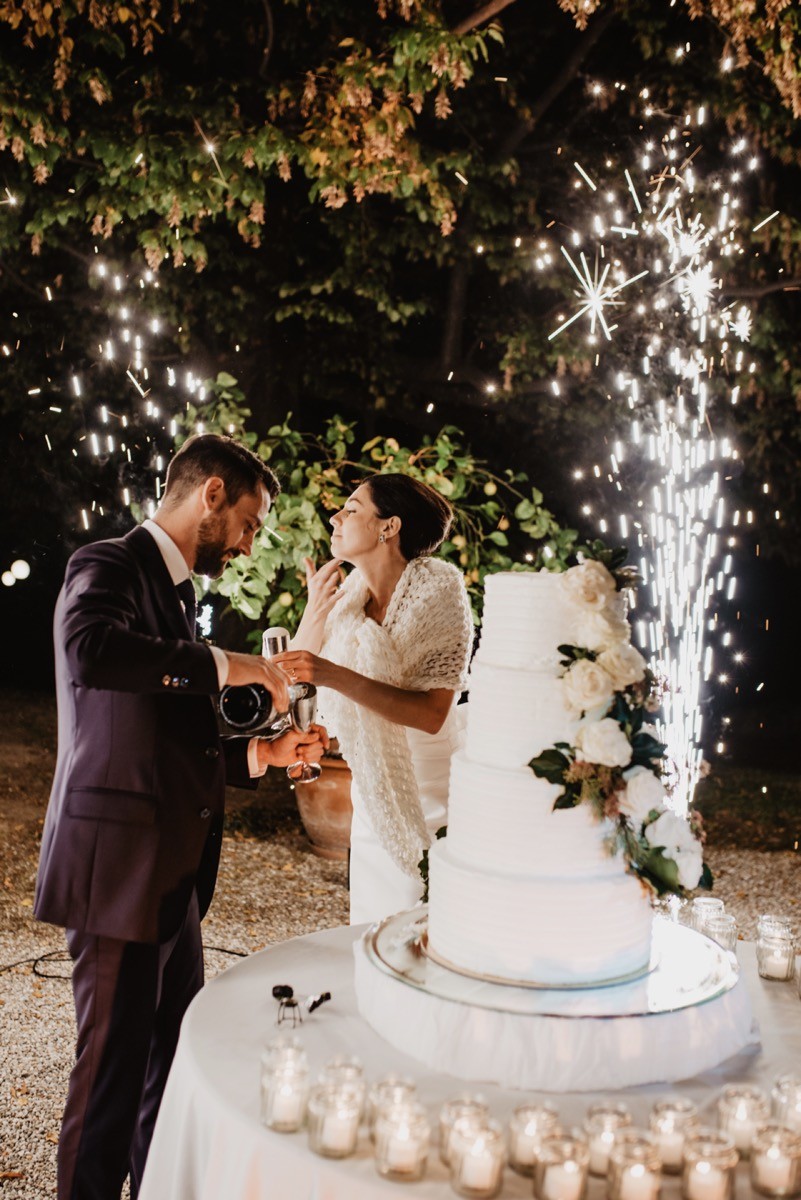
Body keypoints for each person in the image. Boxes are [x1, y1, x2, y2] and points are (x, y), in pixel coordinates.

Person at [34, 433, 328, 1200]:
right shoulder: (106, 564)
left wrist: (261, 754)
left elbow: (160, 737)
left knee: (167, 1069)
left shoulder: (174, 595)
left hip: (168, 876)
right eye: (250, 524)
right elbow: (93, 652)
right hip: (118, 873)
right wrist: (228, 664)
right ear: (212, 495)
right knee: (110, 1081)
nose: (249, 543)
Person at [274, 473, 473, 925]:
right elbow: (294, 677)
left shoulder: (441, 594)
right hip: (370, 782)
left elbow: (432, 715)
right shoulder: (347, 596)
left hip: (430, 783)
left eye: (351, 508)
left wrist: (334, 675)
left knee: (425, 913)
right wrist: (315, 609)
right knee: (373, 920)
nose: (335, 517)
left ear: (389, 526)